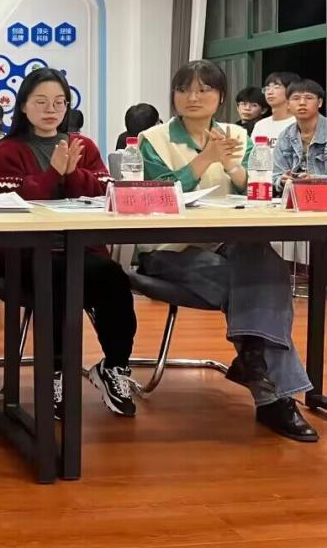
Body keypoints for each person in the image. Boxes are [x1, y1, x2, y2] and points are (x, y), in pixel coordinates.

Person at [138, 59, 317, 441]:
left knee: (267, 265)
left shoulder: (238, 134)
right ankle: (274, 397)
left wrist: (232, 165)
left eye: (204, 89)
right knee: (262, 285)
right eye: (184, 89)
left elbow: (256, 187)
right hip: (170, 249)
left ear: (220, 97)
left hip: (230, 241)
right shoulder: (153, 138)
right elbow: (156, 194)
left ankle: (253, 362)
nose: (193, 96)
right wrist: (205, 159)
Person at [0, 68, 138, 419]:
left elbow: (105, 195)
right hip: (22, 256)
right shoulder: (7, 150)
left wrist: (73, 173)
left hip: (79, 248)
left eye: (59, 102)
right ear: (23, 106)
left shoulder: (83, 146)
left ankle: (114, 366)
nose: (51, 109)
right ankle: (55, 372)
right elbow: (6, 204)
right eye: (41, 101)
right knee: (55, 277)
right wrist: (53, 172)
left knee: (114, 278)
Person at [273, 78, 326, 191]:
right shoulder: (285, 136)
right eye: (296, 98)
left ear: (320, 102)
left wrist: (315, 180)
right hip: (295, 196)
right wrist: (282, 180)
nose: (302, 103)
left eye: (309, 98)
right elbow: (275, 175)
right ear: (288, 104)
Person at [252, 71, 300, 148]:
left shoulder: (301, 124)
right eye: (267, 88)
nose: (269, 92)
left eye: (276, 87)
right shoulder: (260, 125)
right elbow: (254, 153)